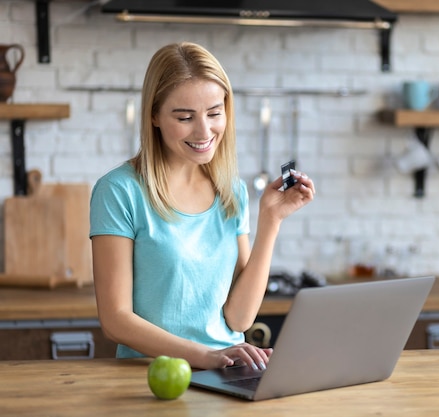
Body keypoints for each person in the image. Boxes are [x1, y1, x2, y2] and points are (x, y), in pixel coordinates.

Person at [89, 42, 315, 370]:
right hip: (152, 375)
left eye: (214, 113)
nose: (204, 131)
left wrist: (271, 220)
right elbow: (115, 320)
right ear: (154, 115)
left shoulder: (231, 190)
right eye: (185, 117)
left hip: (228, 370)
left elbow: (239, 319)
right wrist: (205, 357)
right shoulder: (119, 191)